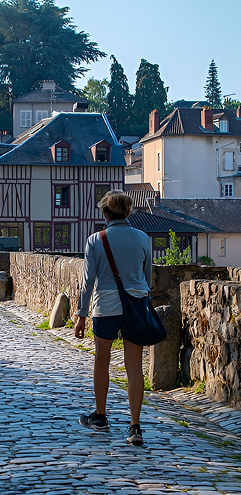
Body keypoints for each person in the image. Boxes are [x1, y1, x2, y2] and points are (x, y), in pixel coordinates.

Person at [74, 190, 152, 445]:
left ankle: (100, 416)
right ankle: (135, 426)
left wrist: (81, 315)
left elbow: (88, 282)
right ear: (128, 212)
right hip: (135, 306)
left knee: (102, 361)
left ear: (106, 213)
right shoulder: (143, 238)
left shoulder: (96, 239)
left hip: (106, 306)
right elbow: (147, 279)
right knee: (134, 367)